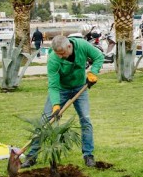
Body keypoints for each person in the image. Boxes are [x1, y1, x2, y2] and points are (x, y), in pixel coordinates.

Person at [22, 34, 103, 168]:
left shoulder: (82, 45)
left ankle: (88, 155)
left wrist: (93, 72)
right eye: (57, 54)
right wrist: (55, 105)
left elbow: (99, 56)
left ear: (69, 46)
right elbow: (53, 86)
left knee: (86, 119)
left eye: (62, 53)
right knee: (45, 120)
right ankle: (31, 156)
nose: (60, 56)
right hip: (61, 89)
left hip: (79, 88)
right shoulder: (54, 59)